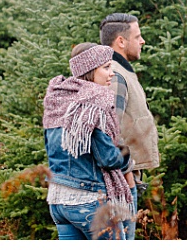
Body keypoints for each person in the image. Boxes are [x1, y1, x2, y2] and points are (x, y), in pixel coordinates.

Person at [42, 42, 135, 240]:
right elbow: (109, 159)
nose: (112, 73)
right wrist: (127, 157)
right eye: (106, 67)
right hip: (88, 200)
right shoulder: (93, 100)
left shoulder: (56, 99)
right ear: (90, 70)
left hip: (58, 200)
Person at [101, 12, 159, 228]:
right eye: (138, 36)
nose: (142, 41)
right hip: (122, 182)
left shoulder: (121, 72)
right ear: (121, 42)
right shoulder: (116, 76)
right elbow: (109, 132)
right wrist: (127, 178)